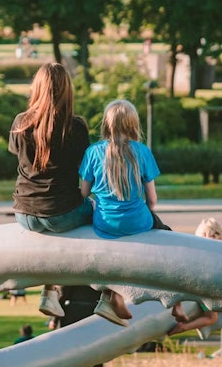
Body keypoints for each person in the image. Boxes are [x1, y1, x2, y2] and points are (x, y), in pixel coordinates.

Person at [8, 62, 92, 319]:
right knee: (100, 214)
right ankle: (108, 295)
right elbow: (85, 170)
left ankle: (49, 289)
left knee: (50, 225)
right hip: (62, 213)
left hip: (24, 214)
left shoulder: (21, 123)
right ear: (67, 91)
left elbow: (16, 156)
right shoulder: (75, 127)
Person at [80, 99, 164, 327]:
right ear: (133, 124)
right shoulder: (142, 151)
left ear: (106, 124)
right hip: (139, 221)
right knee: (165, 231)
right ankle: (172, 301)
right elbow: (153, 201)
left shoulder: (93, 152)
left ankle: (111, 294)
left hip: (104, 223)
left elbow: (84, 193)